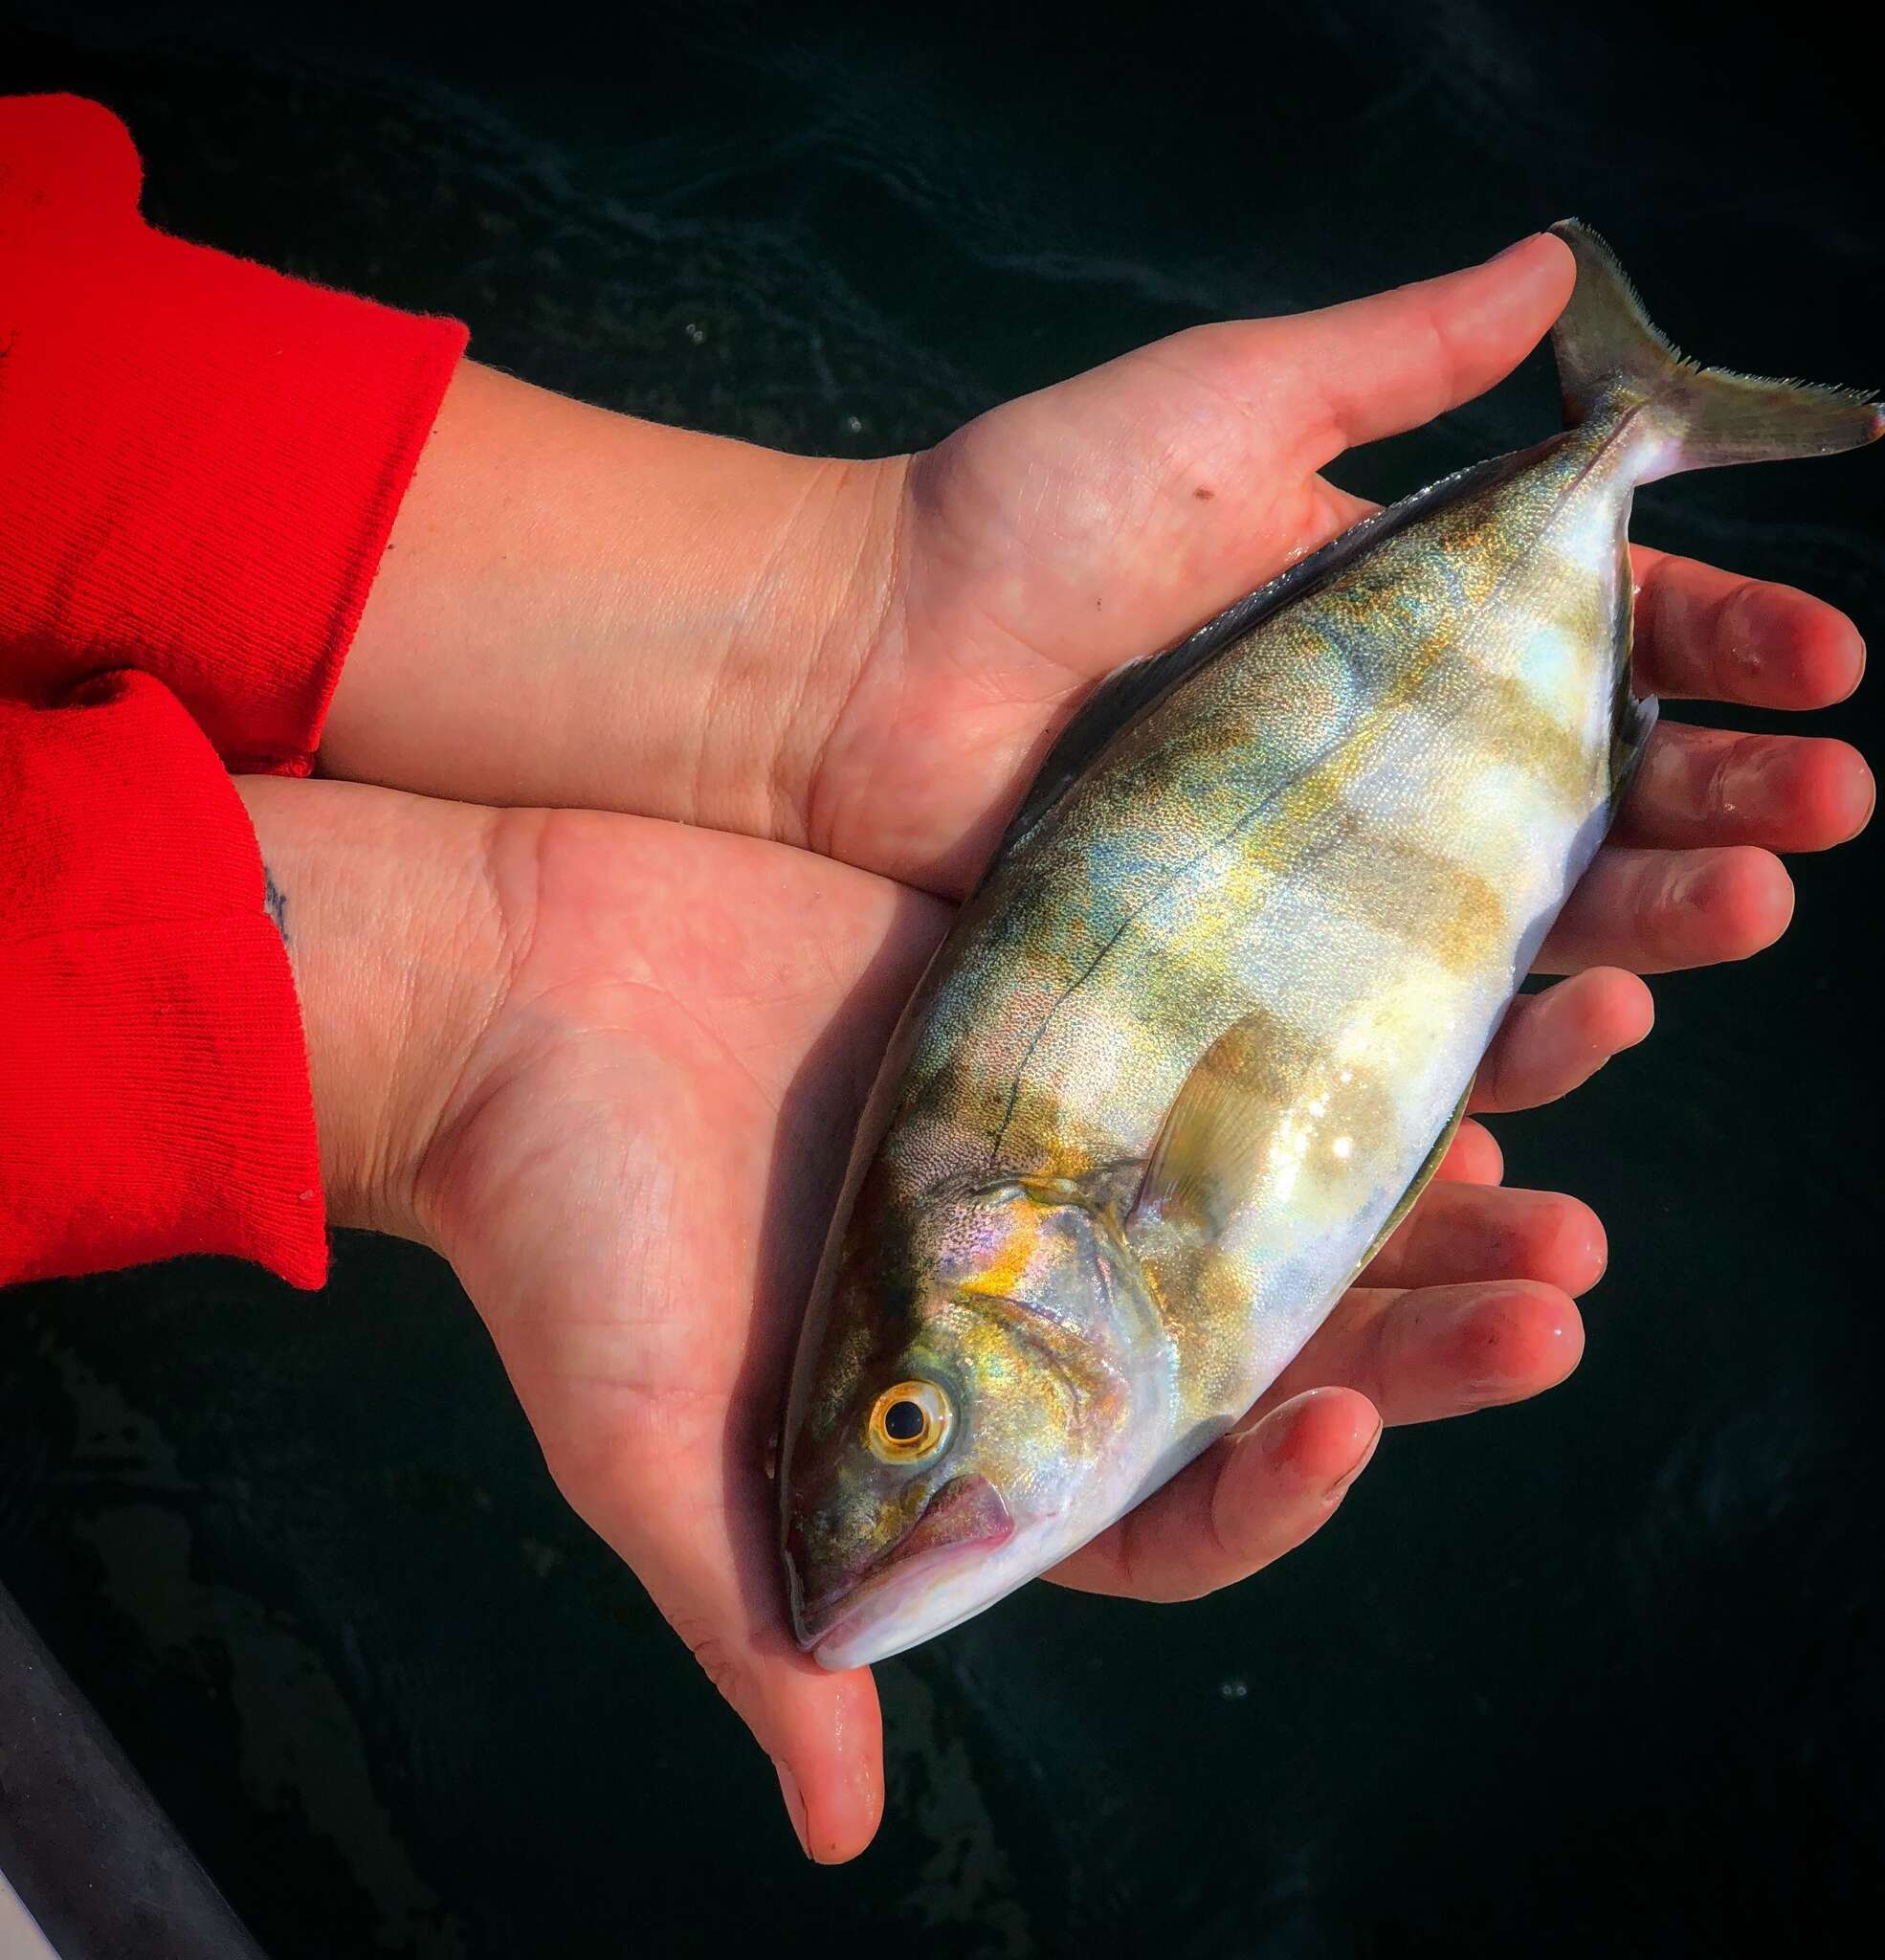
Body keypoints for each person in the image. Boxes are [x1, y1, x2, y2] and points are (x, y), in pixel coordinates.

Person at [0, 94, 1872, 1862]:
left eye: (913, 1418)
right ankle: (1630, 446)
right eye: (912, 1421)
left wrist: (809, 629)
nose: (916, 1462)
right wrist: (434, 1017)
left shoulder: (1083, 1237)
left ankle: (1626, 439)